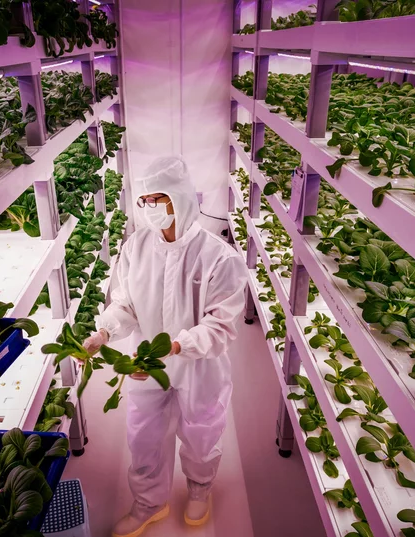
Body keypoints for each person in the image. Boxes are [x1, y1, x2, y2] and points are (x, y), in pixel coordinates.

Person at [83, 156, 247, 537]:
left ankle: (199, 489)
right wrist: (105, 332)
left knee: (201, 432)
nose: (149, 208)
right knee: (143, 436)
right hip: (147, 364)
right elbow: (125, 304)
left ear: (181, 198)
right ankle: (148, 504)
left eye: (158, 199)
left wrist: (175, 346)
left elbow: (220, 326)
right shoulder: (136, 248)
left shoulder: (218, 257)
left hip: (199, 366)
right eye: (144, 200)